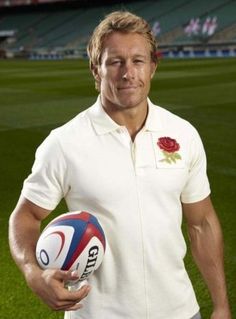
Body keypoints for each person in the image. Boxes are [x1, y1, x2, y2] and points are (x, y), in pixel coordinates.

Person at [9, 11, 231, 319]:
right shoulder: (64, 143)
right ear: (96, 70)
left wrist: (221, 304)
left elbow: (201, 222)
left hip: (180, 311)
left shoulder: (183, 133)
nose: (128, 73)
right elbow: (26, 215)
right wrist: (33, 273)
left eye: (138, 61)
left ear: (153, 66)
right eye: (115, 62)